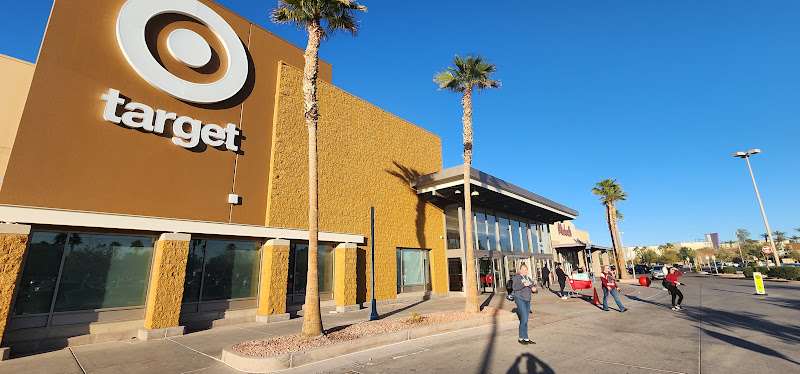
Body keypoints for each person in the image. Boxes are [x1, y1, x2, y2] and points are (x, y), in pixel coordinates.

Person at [511, 264, 536, 345]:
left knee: (525, 320)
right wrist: (523, 285)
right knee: (524, 318)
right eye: (523, 269)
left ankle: (526, 338)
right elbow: (514, 287)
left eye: (526, 269)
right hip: (520, 298)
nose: (524, 271)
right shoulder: (517, 277)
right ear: (520, 270)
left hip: (527, 299)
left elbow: (533, 287)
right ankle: (521, 338)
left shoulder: (528, 278)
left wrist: (534, 289)